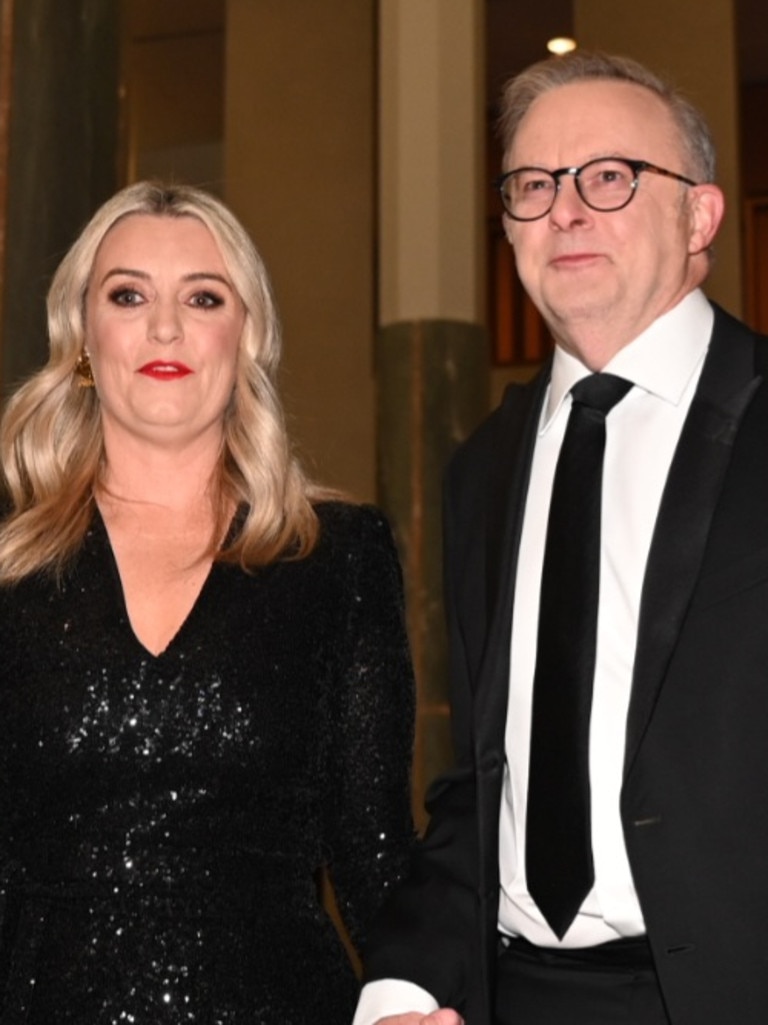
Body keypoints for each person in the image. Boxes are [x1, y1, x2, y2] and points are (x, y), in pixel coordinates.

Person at [353, 50, 768, 1025]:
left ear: (700, 216)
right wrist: (406, 980)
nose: (565, 210)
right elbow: (482, 782)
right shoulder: (482, 467)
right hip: (513, 995)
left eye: (610, 176)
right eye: (533, 186)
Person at [0, 180, 416, 1024]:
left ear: (247, 335)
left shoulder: (338, 555)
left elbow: (374, 848)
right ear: (83, 336)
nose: (164, 327)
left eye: (202, 297)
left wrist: (413, 996)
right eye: (128, 295)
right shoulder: (8, 556)